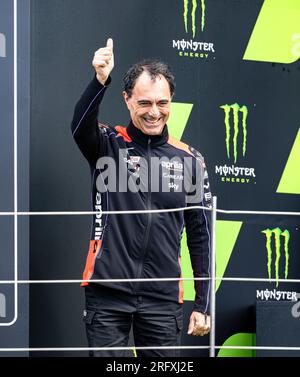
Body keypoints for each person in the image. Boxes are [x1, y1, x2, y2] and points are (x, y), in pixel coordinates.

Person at [71, 38, 212, 357]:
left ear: (171, 100)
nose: (154, 112)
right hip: (107, 292)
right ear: (127, 99)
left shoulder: (190, 160)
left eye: (162, 103)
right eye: (144, 103)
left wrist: (203, 303)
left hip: (162, 299)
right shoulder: (106, 144)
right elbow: (80, 127)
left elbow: (201, 236)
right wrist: (99, 80)